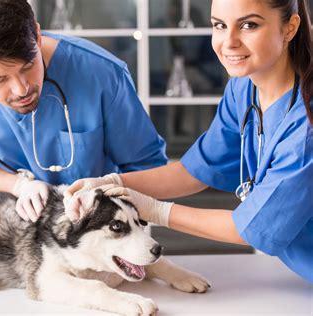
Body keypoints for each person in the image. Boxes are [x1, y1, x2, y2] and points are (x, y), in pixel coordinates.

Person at [65, 0, 313, 283]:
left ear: (290, 27)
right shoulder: (244, 87)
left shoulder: (305, 128)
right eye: (219, 25)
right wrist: (116, 183)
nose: (228, 42)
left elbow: (255, 227)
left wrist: (157, 211)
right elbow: (196, 170)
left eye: (249, 25)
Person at [0, 0, 167, 223]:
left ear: (37, 34)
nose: (21, 88)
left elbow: (147, 167)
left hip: (98, 222)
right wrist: (19, 185)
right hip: (16, 225)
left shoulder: (102, 74)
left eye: (28, 66)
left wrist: (107, 196)